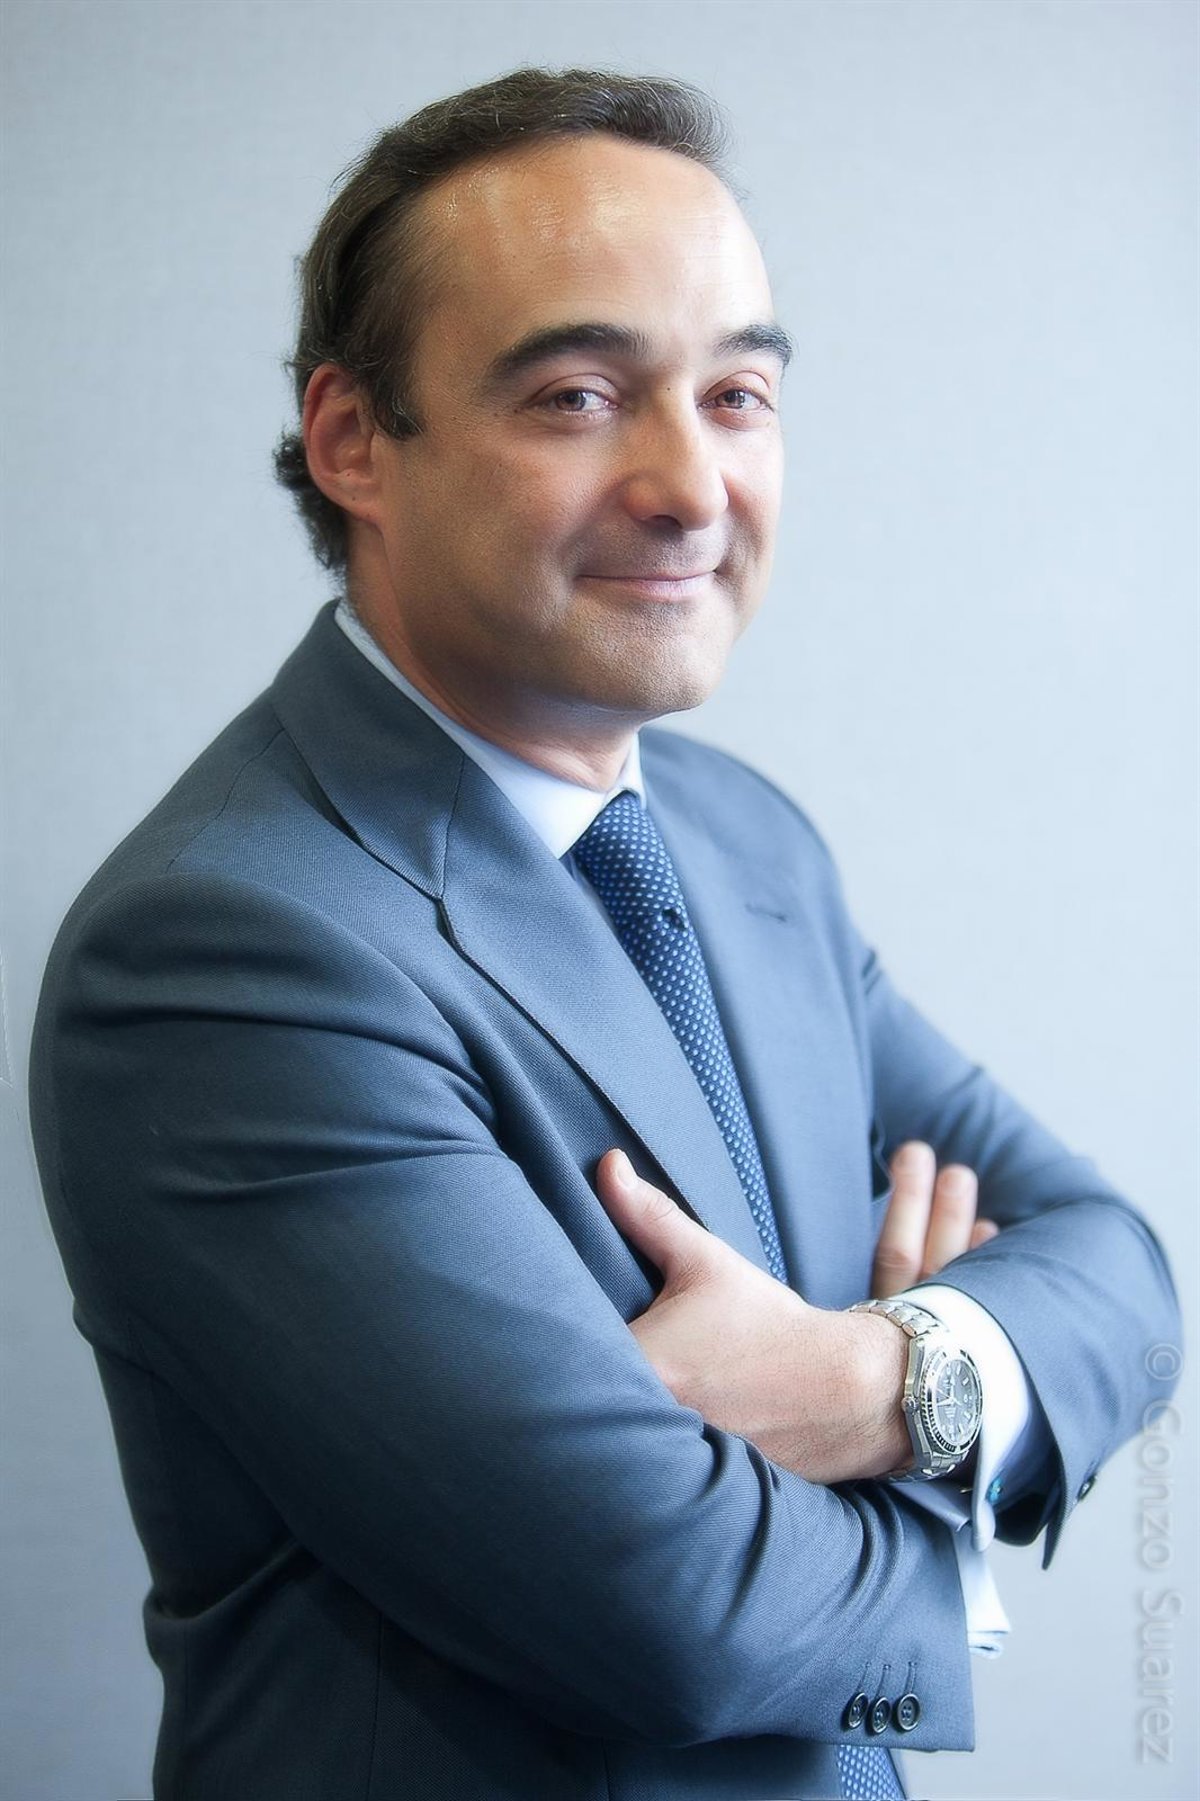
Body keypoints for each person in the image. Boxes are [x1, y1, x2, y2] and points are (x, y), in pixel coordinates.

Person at [30, 68, 1178, 1801]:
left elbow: (1122, 1272)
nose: (691, 486)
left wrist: (876, 1375)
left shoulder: (744, 841)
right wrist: (964, 1527)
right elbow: (682, 1612)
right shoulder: (226, 954)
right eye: (578, 395)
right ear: (354, 441)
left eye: (737, 395)